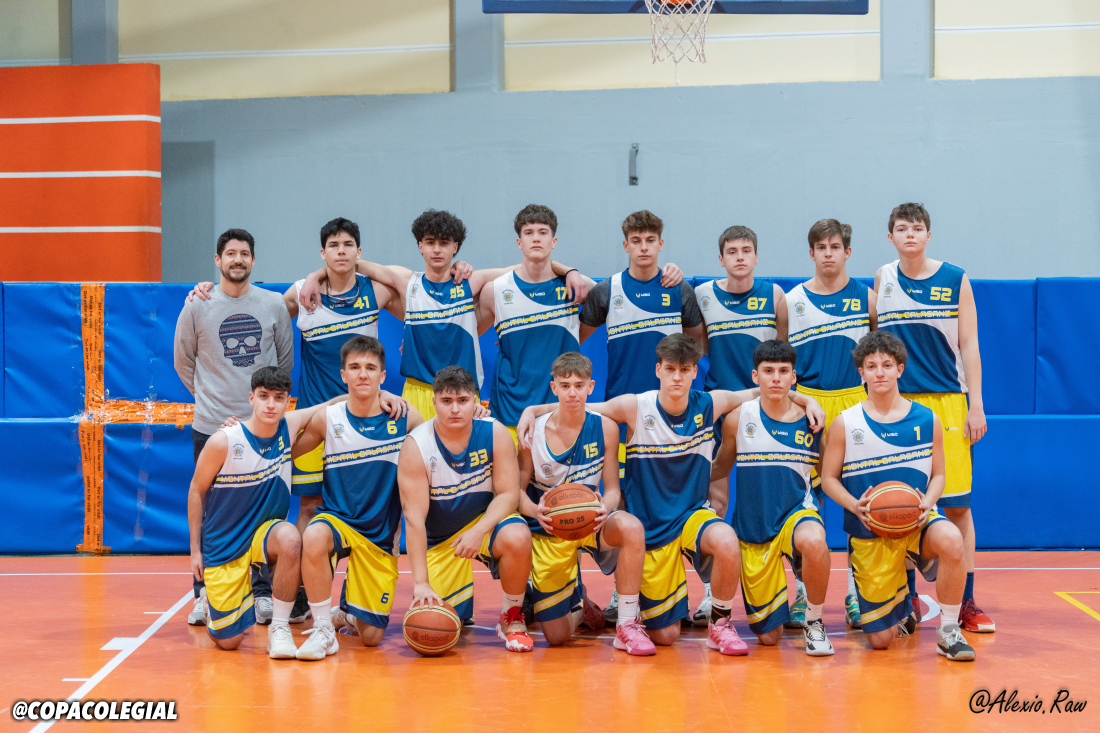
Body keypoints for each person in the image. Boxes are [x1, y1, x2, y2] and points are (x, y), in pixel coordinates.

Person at [519, 334, 825, 654]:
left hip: (692, 515)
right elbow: (578, 402)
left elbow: (764, 389)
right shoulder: (635, 407)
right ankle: (601, 606)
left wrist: (807, 400)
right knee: (666, 636)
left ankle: (720, 624)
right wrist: (533, 410)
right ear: (658, 370)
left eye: (684, 369)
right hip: (651, 526)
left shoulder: (710, 404)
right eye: (670, 369)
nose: (677, 377)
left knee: (726, 540)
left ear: (694, 372)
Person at [819, 331, 974, 661]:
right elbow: (828, 479)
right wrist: (854, 505)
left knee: (951, 538)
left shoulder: (927, 419)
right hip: (869, 533)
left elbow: (940, 475)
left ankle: (948, 630)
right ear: (861, 373)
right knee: (881, 641)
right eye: (871, 366)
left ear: (900, 369)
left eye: (887, 365)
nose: (880, 372)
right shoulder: (846, 423)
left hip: (916, 522)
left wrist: (929, 501)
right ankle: (900, 599)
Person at [874, 202, 993, 634]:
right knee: (900, 504)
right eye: (902, 228)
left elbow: (969, 345)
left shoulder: (955, 278)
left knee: (958, 505)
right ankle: (905, 600)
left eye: (917, 228)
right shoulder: (883, 278)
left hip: (948, 403)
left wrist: (976, 404)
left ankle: (966, 601)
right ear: (890, 237)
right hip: (899, 406)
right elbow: (876, 348)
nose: (910, 234)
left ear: (928, 235)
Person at [577, 209, 695, 622]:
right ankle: (622, 591)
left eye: (651, 240)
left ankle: (683, 592)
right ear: (625, 244)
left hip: (670, 416)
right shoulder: (606, 291)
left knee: (672, 501)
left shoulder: (678, 289)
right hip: (621, 414)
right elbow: (573, 339)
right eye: (636, 241)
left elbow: (697, 342)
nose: (644, 248)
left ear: (661, 244)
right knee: (623, 502)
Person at [175, 228, 293, 628]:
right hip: (210, 427)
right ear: (218, 260)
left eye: (244, 253)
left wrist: (258, 413)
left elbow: (283, 364)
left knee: (262, 511)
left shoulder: (273, 304)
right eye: (230, 253)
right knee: (211, 511)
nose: (237, 259)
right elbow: (183, 361)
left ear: (253, 260)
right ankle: (204, 592)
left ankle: (260, 592)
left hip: (262, 429)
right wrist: (209, 400)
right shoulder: (197, 304)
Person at [298, 209, 516, 419]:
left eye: (444, 243)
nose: (437, 249)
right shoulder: (407, 282)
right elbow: (348, 261)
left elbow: (521, 272)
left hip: (463, 393)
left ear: (455, 246)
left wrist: (551, 265)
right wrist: (314, 276)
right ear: (420, 246)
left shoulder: (472, 282)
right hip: (416, 392)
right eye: (430, 242)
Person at [290, 336, 425, 659]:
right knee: (314, 534)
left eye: (370, 368)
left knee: (371, 638)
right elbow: (287, 449)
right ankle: (323, 628)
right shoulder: (328, 419)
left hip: (380, 534)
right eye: (354, 367)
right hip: (338, 520)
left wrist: (477, 411)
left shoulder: (406, 419)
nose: (362, 374)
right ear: (343, 374)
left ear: (383, 375)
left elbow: (441, 442)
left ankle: (345, 612)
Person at [187, 367, 335, 658]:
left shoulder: (287, 428)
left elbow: (330, 405)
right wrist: (195, 550)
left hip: (263, 535)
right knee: (230, 642)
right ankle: (212, 603)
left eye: (279, 398)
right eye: (264, 396)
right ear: (251, 398)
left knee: (291, 538)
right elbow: (196, 491)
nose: (271, 404)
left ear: (288, 401)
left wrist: (379, 396)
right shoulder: (224, 441)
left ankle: (278, 629)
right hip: (225, 543)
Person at [517, 352, 653, 655]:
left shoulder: (605, 427)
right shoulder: (533, 432)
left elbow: (613, 489)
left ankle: (626, 624)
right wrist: (534, 511)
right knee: (556, 637)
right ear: (553, 387)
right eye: (565, 386)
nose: (572, 393)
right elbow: (516, 491)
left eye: (579, 386)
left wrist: (607, 508)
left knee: (631, 527)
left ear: (591, 387)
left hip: (591, 523)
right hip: (550, 528)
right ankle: (580, 606)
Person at [398, 366, 536, 652]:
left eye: (462, 400)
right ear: (434, 402)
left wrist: (479, 530)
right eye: (446, 401)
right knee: (439, 630)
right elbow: (414, 520)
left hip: (483, 524)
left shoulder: (494, 432)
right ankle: (458, 602)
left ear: (475, 401)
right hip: (441, 542)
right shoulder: (416, 445)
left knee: (518, 535)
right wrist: (420, 584)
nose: (455, 409)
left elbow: (509, 494)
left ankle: (512, 616)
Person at [782, 218, 875, 631]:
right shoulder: (792, 301)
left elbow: (878, 355)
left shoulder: (868, 298)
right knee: (805, 502)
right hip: (808, 404)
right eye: (821, 247)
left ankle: (858, 591)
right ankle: (804, 591)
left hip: (855, 403)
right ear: (812, 253)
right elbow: (782, 361)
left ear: (847, 252)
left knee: (860, 499)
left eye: (835, 247)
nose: (828, 254)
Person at [719, 340, 833, 656]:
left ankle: (814, 622)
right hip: (754, 529)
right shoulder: (738, 418)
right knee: (769, 638)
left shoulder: (811, 422)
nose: (776, 379)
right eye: (768, 371)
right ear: (755, 376)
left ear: (793, 376)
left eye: (784, 371)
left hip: (796, 513)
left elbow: (828, 473)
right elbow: (720, 468)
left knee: (814, 540)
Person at [478, 204, 596, 444]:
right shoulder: (495, 291)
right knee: (508, 471)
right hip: (510, 408)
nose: (536, 238)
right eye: (528, 232)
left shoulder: (578, 286)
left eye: (543, 232)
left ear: (553, 241)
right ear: (519, 242)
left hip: (561, 409)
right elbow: (466, 338)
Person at [697, 225, 788, 519]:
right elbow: (701, 345)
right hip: (719, 408)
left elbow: (782, 350)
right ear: (721, 259)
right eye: (732, 252)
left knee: (768, 501)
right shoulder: (703, 295)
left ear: (756, 257)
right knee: (717, 503)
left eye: (746, 251)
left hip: (764, 407)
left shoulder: (774, 295)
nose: (740, 257)